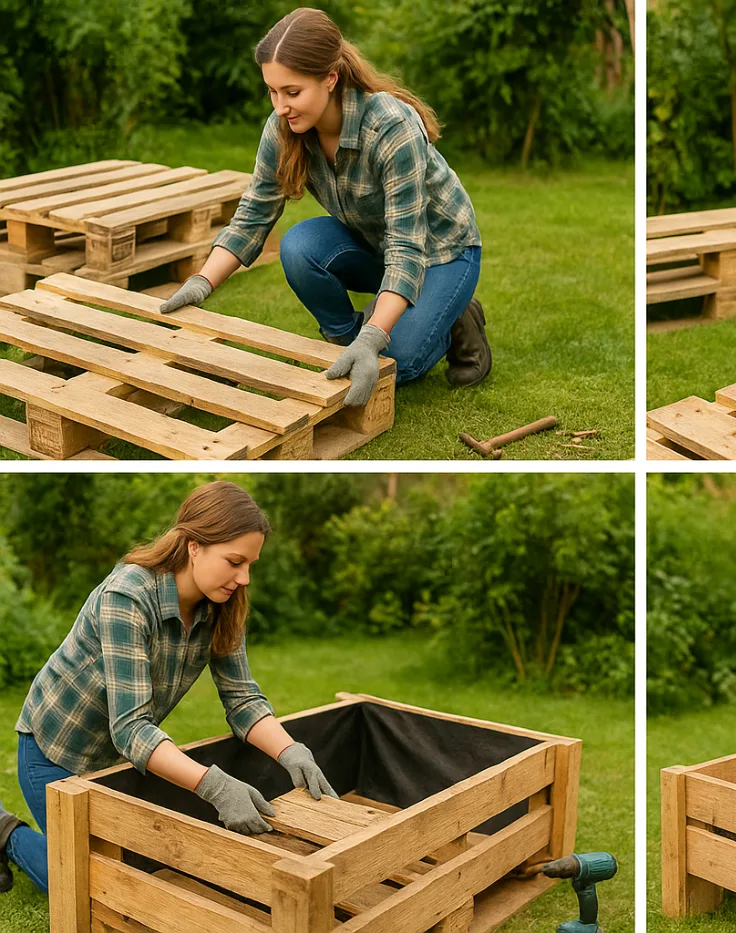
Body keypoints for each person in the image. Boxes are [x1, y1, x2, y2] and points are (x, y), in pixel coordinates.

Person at [0, 481, 335, 896]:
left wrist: (291, 751)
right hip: (56, 753)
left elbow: (243, 699)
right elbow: (133, 728)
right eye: (234, 561)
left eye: (250, 564)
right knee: (87, 885)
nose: (244, 577)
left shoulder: (223, 605)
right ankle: (6, 833)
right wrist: (216, 786)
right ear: (194, 546)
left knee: (137, 871)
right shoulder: (128, 596)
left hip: (117, 761)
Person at [158, 7, 489, 407]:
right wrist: (200, 283)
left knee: (396, 361)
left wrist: (374, 339)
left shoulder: (389, 127)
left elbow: (407, 249)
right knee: (299, 246)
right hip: (375, 243)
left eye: (292, 92)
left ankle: (453, 318)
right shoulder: (282, 128)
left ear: (330, 79)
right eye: (272, 91)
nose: (280, 106)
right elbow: (252, 216)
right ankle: (347, 344)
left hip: (442, 252)